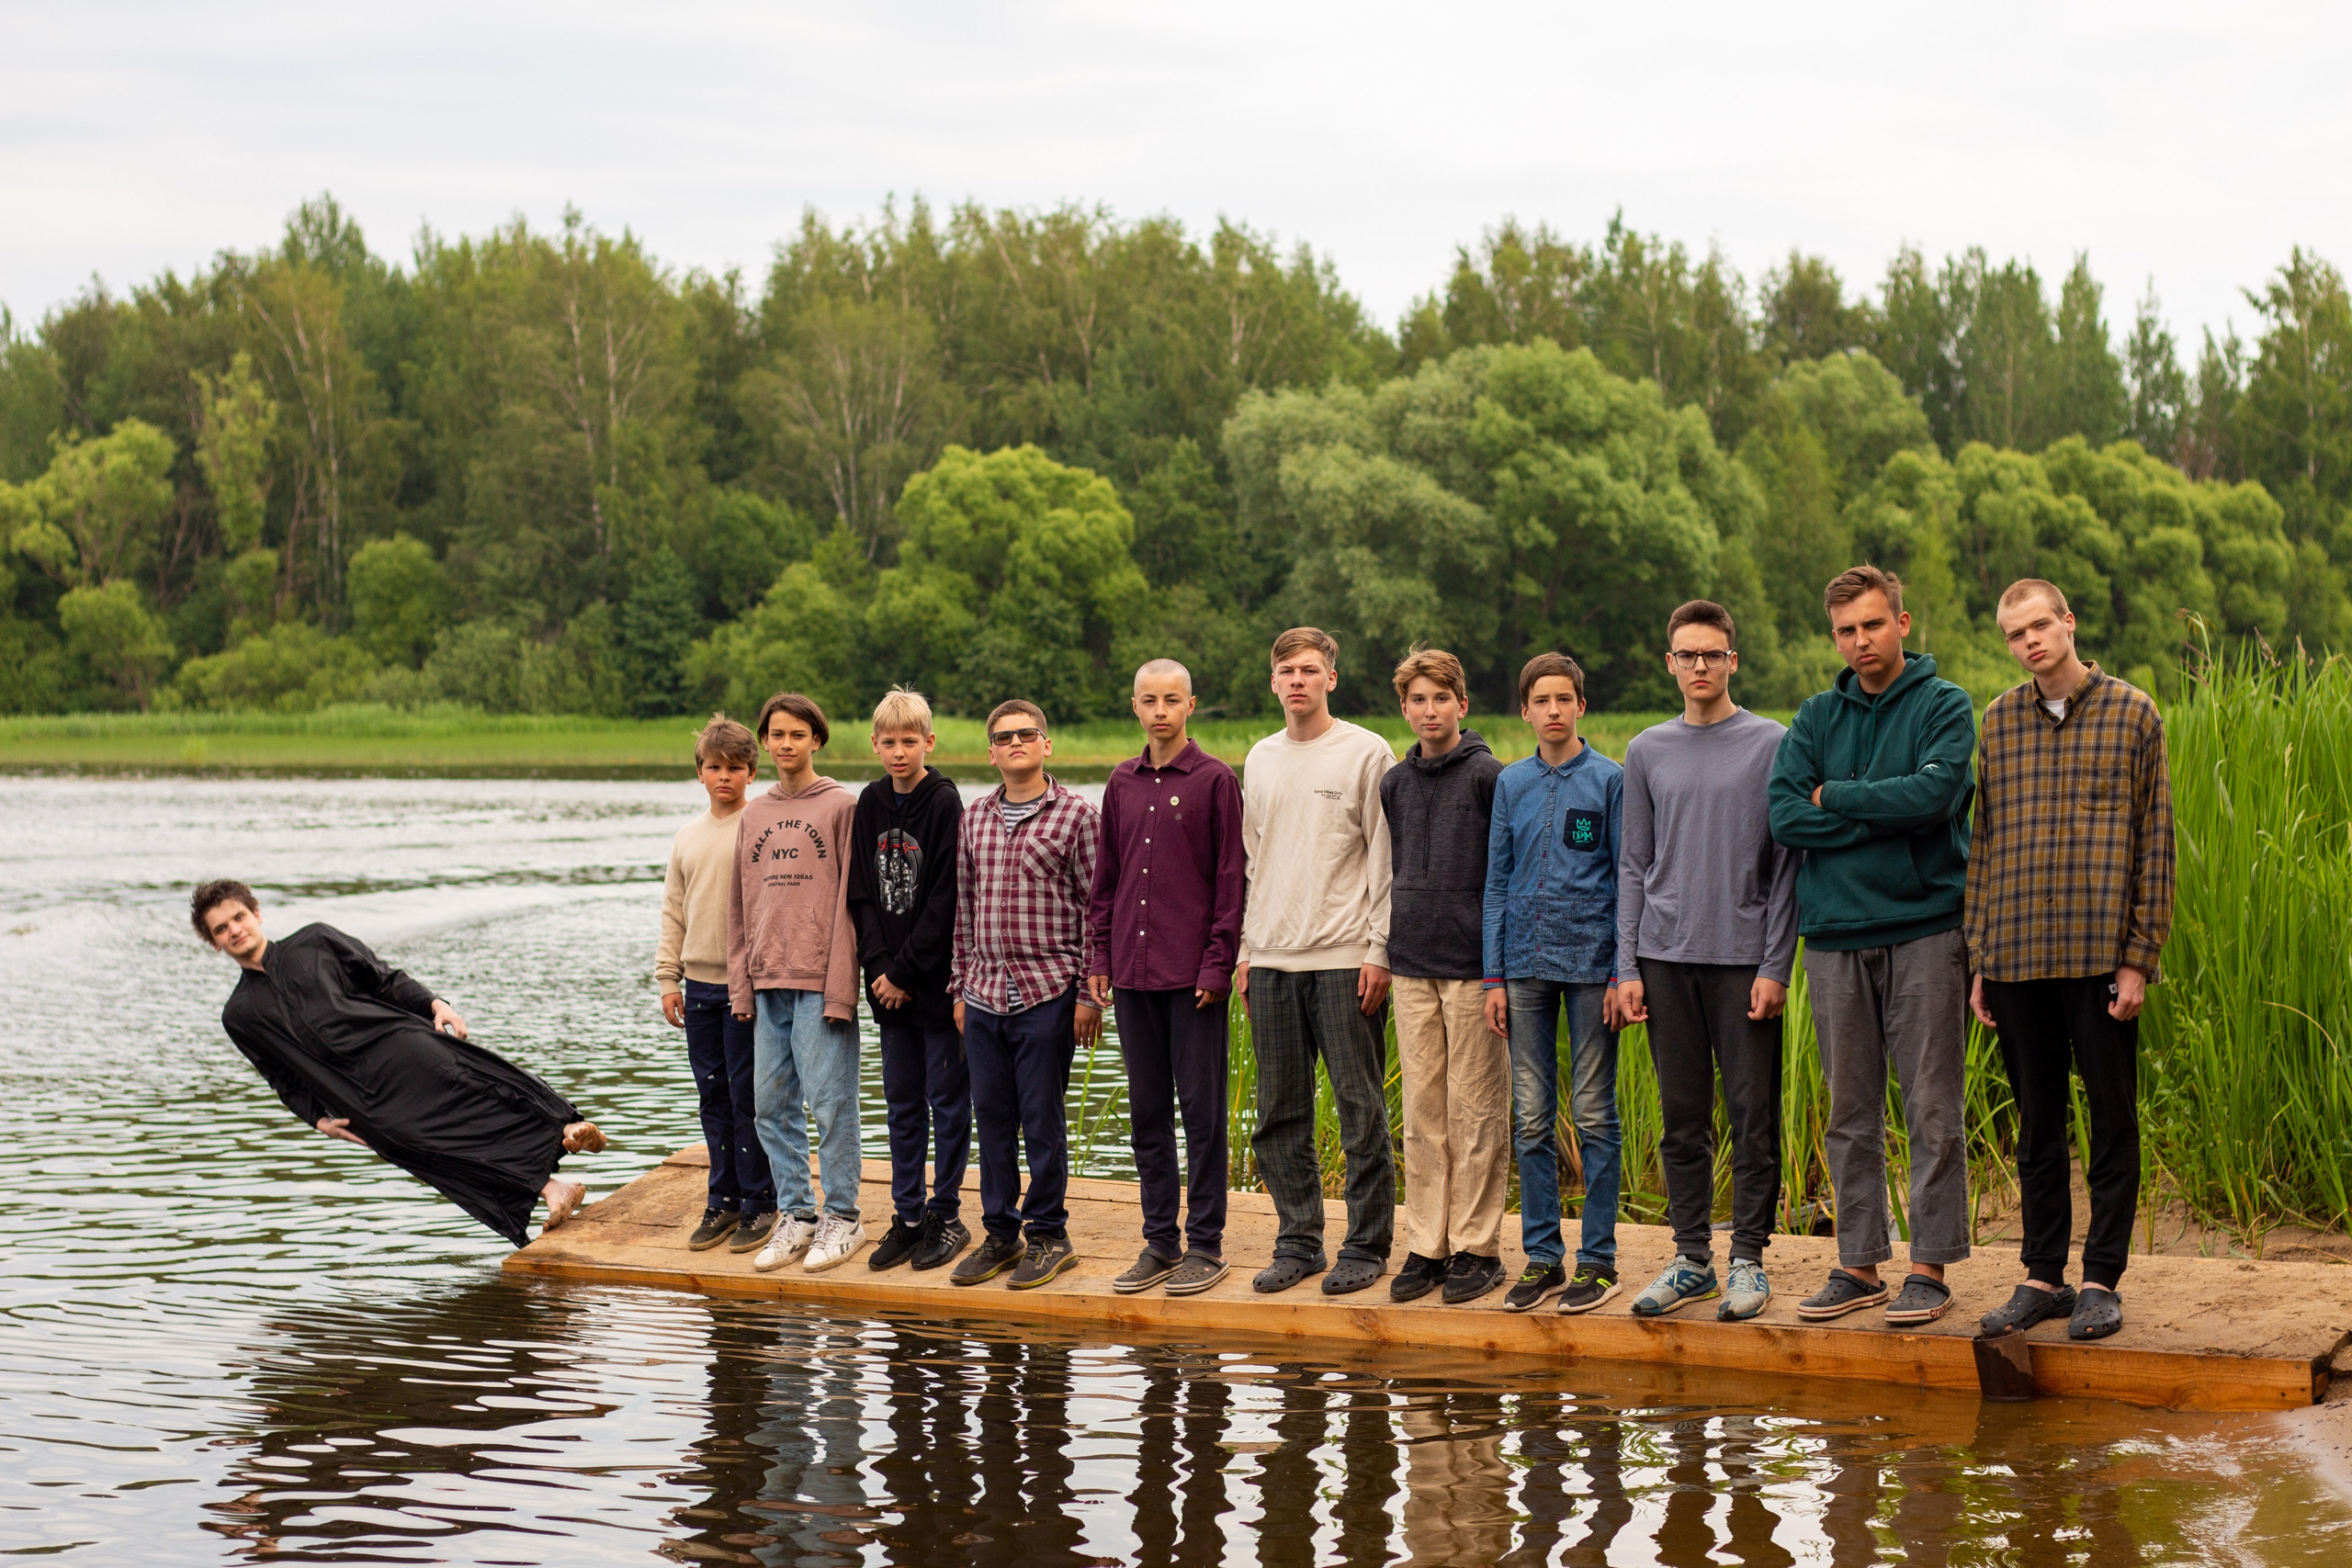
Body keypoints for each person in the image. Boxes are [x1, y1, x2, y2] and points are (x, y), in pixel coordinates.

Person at [1768, 565, 1976, 1326]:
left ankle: (1929, 1266)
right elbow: (1787, 814)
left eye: (1873, 624)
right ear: (1835, 637)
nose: (1861, 640)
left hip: (1925, 928)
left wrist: (1841, 795)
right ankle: (1857, 1265)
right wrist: (1879, 808)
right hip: (1832, 937)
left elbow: (1933, 798)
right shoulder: (1818, 715)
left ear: (1903, 622)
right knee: (1850, 1110)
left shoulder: (1945, 705)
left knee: (1931, 1106)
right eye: (1847, 630)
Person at [1967, 580, 2174, 1342]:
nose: (2030, 641)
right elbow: (1983, 845)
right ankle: (2042, 1274)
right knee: (2036, 1124)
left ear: (2068, 623)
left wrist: (2138, 958)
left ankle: (2101, 1278)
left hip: (2097, 956)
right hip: (2017, 955)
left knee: (2112, 1119)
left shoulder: (2133, 712)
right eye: (2015, 633)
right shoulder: (1996, 721)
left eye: (2040, 625)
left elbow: (2156, 844)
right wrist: (1980, 956)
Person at [197, 879, 604, 1246]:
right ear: (214, 942)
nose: (234, 929)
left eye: (239, 916)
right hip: (357, 1094)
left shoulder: (315, 941)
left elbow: (383, 979)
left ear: (256, 914)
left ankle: (565, 1125)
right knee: (430, 1149)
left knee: (473, 1080)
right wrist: (318, 1120)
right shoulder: (240, 1014)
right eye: (221, 928)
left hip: (394, 1043)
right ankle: (552, 1189)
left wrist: (435, 1003)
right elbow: (281, 1078)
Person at [1615, 604, 1799, 1322]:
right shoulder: (1646, 750)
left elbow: (1787, 866)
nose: (1700, 666)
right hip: (1664, 956)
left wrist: (1776, 963)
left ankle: (1748, 1260)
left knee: (1753, 1114)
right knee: (1681, 1116)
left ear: (1732, 660)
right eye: (1687, 655)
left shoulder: (1770, 743)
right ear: (1671, 662)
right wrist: (1627, 965)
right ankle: (1692, 1258)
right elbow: (1633, 864)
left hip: (1744, 959)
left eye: (1712, 655)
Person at [1236, 626, 1397, 1297]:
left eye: (1309, 669)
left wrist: (1378, 948)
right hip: (1271, 957)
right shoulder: (1261, 757)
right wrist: (1247, 951)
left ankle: (1365, 1245)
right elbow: (1253, 860)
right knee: (1279, 1110)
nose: (1297, 680)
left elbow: (1386, 857)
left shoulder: (1366, 752)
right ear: (1273, 682)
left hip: (1344, 956)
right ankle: (1298, 1240)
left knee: (1359, 1108)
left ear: (1331, 677)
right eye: (1286, 671)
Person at [1086, 659, 1245, 1297]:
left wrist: (1217, 961)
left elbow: (1231, 882)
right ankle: (1159, 1242)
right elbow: (1106, 882)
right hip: (1131, 973)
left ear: (1190, 706)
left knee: (1203, 1114)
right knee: (1148, 1112)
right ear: (1134, 706)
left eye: (1171, 699)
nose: (1160, 710)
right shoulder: (1120, 782)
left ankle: (1205, 1244)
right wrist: (1098, 958)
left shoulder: (1214, 781)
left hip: (1193, 978)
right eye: (1149, 699)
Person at [1480, 651, 1625, 1314]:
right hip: (1524, 967)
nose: (1555, 710)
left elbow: (1627, 881)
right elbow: (1496, 884)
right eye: (1543, 700)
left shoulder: (1610, 781)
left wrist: (1626, 970)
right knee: (1532, 1118)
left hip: (1593, 968)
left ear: (1581, 707)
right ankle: (1542, 1256)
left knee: (1595, 1114)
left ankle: (1598, 1260)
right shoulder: (1509, 784)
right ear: (1526, 710)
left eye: (1566, 698)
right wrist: (1494, 975)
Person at [948, 700, 1105, 1291]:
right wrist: (960, 988)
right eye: (1003, 737)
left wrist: (1091, 995)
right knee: (991, 1115)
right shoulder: (975, 818)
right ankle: (999, 1234)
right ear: (991, 752)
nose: (1015, 744)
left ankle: (1048, 1234)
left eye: (1026, 735)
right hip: (985, 992)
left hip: (1048, 991)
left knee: (1041, 1116)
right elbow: (964, 910)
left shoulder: (1076, 817)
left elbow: (1097, 910)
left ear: (1046, 745)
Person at [1380, 647, 1507, 1306]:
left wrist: (1499, 971)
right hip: (1412, 963)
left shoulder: (1490, 776)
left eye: (1440, 698)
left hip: (1473, 968)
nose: (1429, 711)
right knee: (1424, 1113)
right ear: (1404, 708)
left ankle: (1477, 1247)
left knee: (1476, 1109)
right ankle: (1427, 1243)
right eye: (1417, 700)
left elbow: (1505, 877)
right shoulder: (1394, 783)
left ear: (1462, 703)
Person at [729, 693, 865, 1275]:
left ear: (817, 740)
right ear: (765, 742)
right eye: (777, 735)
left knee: (831, 1103)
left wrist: (841, 987)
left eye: (798, 734)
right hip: (766, 982)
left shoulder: (841, 806)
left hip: (819, 980)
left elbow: (851, 904)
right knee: (768, 1106)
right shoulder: (753, 814)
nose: (786, 744)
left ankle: (844, 1217)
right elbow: (738, 906)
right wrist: (741, 985)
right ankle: (797, 1214)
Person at [846, 687, 971, 1275]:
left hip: (935, 986)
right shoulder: (869, 803)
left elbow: (947, 898)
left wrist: (904, 971)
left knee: (946, 1102)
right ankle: (909, 1216)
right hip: (886, 990)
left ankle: (947, 1216)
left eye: (909, 741)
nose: (899, 752)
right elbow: (861, 894)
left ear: (929, 741)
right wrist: (877, 968)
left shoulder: (945, 803)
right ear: (875, 744)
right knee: (901, 1105)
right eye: (889, 742)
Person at [658, 713, 777, 1256]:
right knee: (712, 1095)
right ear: (699, 774)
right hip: (698, 987)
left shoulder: (762, 828)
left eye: (735, 767)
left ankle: (760, 1202)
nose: (724, 776)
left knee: (748, 1094)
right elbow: (673, 913)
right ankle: (722, 1200)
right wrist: (668, 979)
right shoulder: (687, 837)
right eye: (714, 767)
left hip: (745, 986)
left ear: (752, 772)